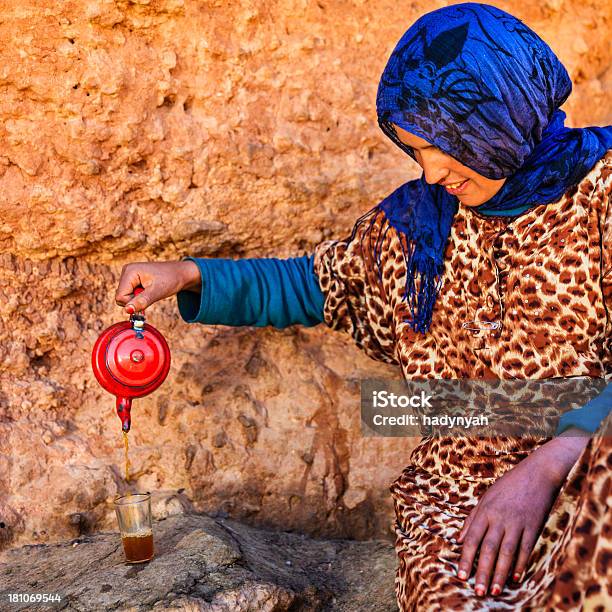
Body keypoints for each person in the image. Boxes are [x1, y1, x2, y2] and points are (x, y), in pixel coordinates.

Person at [115, 3, 611, 609]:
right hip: (464, 490)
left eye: (444, 146)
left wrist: (548, 465)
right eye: (415, 151)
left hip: (591, 473)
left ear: (496, 118)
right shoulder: (414, 227)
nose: (429, 174)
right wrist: (187, 274)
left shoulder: (600, 194)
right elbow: (315, 284)